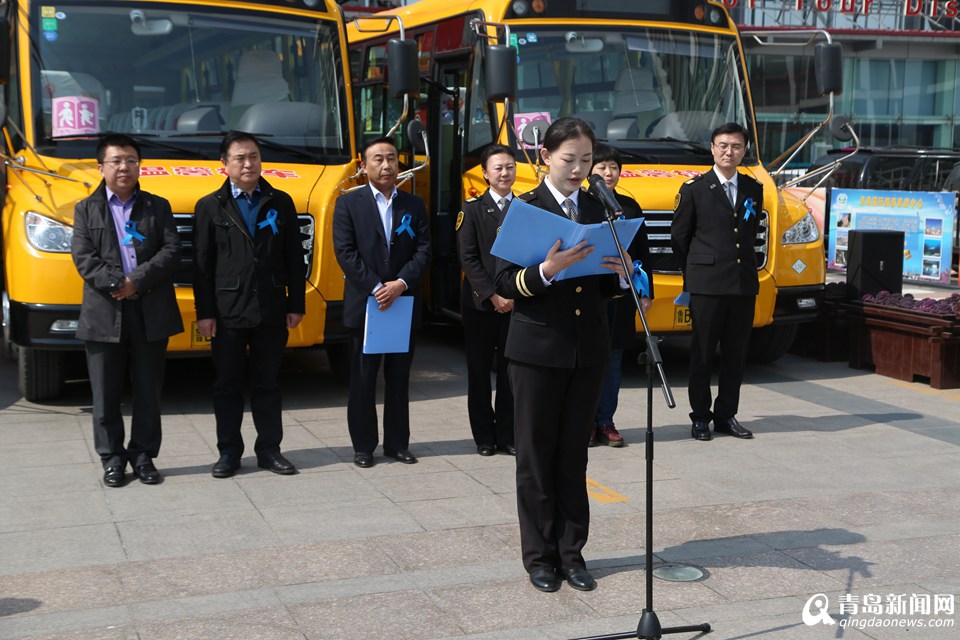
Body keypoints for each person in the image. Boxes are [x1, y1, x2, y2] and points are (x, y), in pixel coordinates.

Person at [495, 117, 631, 593]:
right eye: (569, 160)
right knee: (535, 457)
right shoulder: (525, 208)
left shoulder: (603, 208)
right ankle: (539, 557)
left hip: (587, 350)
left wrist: (623, 271)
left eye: (587, 161)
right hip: (536, 350)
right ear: (545, 158)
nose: (578, 170)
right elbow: (503, 282)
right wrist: (546, 271)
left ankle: (572, 554)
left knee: (574, 457)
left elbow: (607, 288)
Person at [71, 134, 183, 487]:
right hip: (105, 312)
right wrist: (117, 283)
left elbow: (171, 249)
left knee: (149, 389)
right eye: (117, 160)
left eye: (131, 160)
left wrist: (138, 280)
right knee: (105, 393)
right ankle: (112, 459)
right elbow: (83, 257)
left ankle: (144, 456)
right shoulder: (85, 209)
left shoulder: (157, 205)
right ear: (101, 166)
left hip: (149, 309)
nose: (124, 167)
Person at [193, 131, 305, 478]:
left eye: (254, 156)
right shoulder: (210, 206)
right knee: (227, 386)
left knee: (267, 384)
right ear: (224, 165)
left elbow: (293, 258)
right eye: (240, 158)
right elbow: (201, 264)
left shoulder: (280, 201)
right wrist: (205, 313)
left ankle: (270, 450)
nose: (248, 163)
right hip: (227, 312)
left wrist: (296, 303)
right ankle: (229, 452)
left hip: (271, 308)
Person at [333, 137, 431, 469]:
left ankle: (397, 444)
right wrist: (377, 287)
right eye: (377, 159)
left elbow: (424, 251)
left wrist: (400, 284)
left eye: (391, 158)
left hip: (402, 302)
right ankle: (363, 446)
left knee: (400, 378)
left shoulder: (414, 205)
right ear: (363, 166)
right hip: (366, 304)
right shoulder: (348, 204)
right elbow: (345, 254)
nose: (386, 165)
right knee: (362, 380)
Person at [670, 122, 761, 442]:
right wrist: (694, 273)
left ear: (744, 150)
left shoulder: (753, 188)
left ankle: (726, 415)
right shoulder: (695, 189)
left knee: (736, 354)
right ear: (712, 148)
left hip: (742, 283)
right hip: (707, 284)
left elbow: (749, 234)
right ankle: (700, 417)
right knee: (703, 354)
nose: (729, 151)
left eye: (736, 146)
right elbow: (679, 238)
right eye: (723, 145)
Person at [589, 143, 654, 448]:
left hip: (622, 295)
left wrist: (645, 291)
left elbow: (643, 253)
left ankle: (606, 422)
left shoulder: (629, 206)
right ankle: (585, 422)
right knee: (588, 361)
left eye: (613, 167)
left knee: (614, 361)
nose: (608, 172)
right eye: (602, 167)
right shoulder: (582, 204)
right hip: (588, 297)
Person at [456, 144, 516, 457]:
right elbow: (468, 258)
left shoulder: (525, 208)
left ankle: (507, 434)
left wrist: (514, 294)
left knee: (510, 372)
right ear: (485, 173)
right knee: (479, 372)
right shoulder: (472, 210)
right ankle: (483, 436)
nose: (504, 173)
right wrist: (492, 295)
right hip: (480, 305)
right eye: (498, 168)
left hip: (516, 303)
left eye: (509, 166)